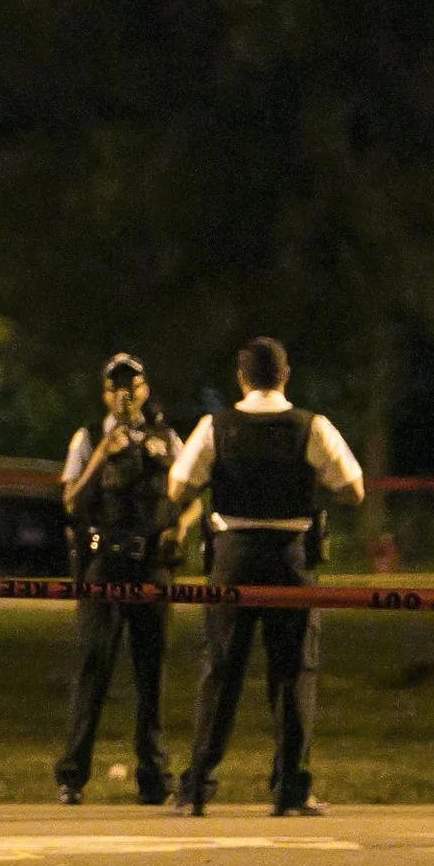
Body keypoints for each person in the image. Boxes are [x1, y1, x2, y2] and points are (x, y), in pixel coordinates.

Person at [166, 337, 365, 817]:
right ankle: (290, 789)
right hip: (291, 561)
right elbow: (353, 489)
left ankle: (196, 787)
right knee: (294, 673)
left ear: (241, 377)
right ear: (285, 374)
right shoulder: (311, 427)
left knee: (220, 672)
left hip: (232, 558)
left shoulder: (216, 426)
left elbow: (178, 486)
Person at [54, 354, 180, 806]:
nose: (124, 394)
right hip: (103, 565)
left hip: (151, 566)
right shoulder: (88, 437)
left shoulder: (166, 437)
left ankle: (154, 776)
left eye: (133, 385)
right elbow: (70, 500)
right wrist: (103, 454)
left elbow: (189, 492)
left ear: (146, 388)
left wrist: (179, 527)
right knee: (93, 670)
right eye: (115, 387)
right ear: (104, 393)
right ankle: (72, 776)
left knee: (152, 675)